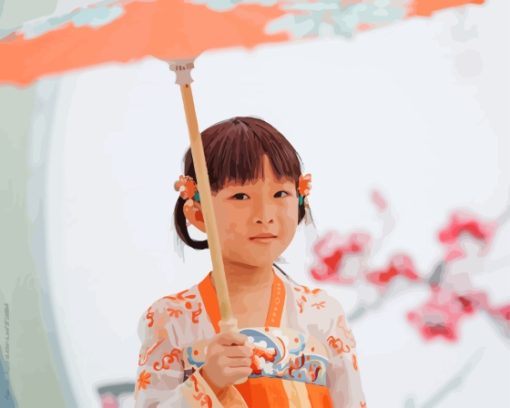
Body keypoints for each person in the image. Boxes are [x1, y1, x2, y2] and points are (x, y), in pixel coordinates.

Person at [134, 117, 367, 407]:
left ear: (300, 201)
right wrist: (208, 381)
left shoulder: (322, 315)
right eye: (240, 195)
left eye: (280, 193)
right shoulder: (170, 319)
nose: (264, 214)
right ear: (199, 215)